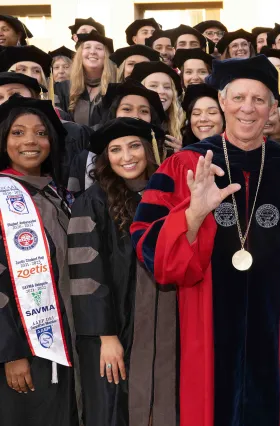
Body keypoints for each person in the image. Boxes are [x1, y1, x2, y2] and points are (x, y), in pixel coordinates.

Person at [130, 54, 280, 426]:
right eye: (238, 98)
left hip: (278, 334)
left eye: (259, 99)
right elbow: (154, 255)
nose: (248, 109)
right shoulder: (187, 165)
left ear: (272, 107)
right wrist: (192, 214)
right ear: (222, 101)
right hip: (203, 333)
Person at [69, 117, 177, 426]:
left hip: (156, 324)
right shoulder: (91, 202)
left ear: (149, 150)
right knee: (112, 408)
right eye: (115, 150)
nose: (126, 157)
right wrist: (107, 336)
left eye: (134, 147)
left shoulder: (167, 196)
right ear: (106, 158)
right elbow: (86, 273)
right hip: (111, 328)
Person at [0, 95, 78, 426]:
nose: (31, 141)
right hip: (24, 348)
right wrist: (10, 352)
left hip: (63, 338)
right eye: (18, 133)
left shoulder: (54, 192)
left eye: (40, 132)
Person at [68, 80, 166, 195]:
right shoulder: (87, 158)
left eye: (144, 111)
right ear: (114, 113)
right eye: (127, 109)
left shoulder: (164, 153)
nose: (135, 116)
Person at [54, 31, 116, 127]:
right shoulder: (61, 89)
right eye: (87, 47)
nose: (92, 52)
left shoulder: (115, 90)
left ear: (106, 56)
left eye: (99, 48)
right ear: (80, 55)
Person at [129, 61, 184, 151]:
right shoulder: (128, 124)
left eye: (167, 87)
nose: (161, 91)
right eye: (153, 86)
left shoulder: (183, 129)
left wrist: (182, 155)